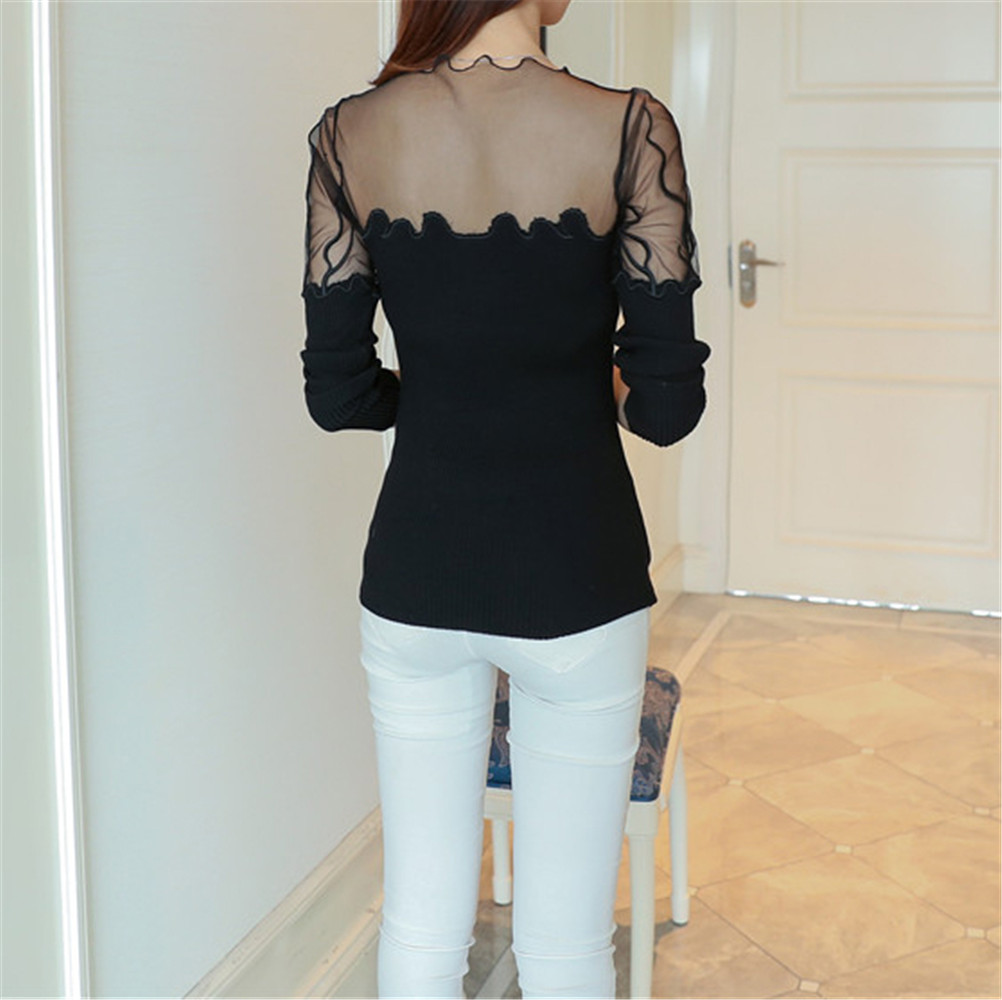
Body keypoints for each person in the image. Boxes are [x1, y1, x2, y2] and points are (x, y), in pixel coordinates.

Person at [298, 1, 711, 996]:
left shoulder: (349, 135)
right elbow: (666, 409)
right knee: (566, 941)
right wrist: (582, 383)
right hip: (578, 575)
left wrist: (440, 398)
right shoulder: (629, 128)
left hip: (414, 574)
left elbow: (338, 394)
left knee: (420, 919)